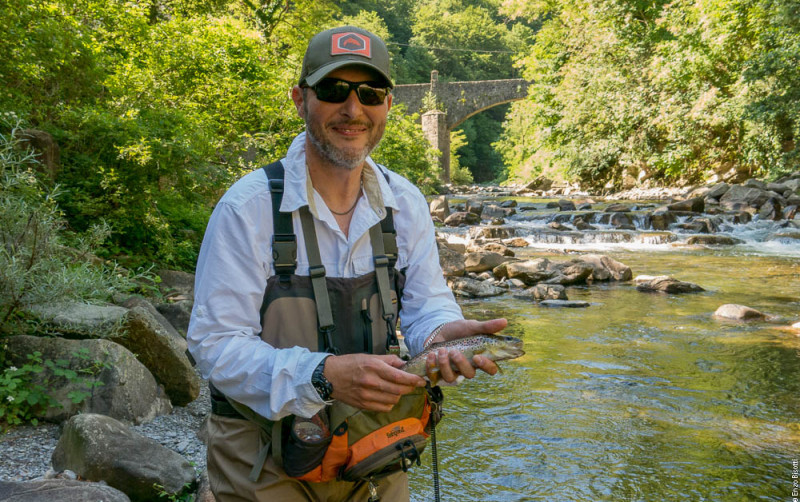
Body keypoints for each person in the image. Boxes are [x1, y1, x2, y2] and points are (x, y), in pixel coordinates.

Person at [187, 25, 507, 501]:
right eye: (335, 90)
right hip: (264, 455)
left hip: (374, 445)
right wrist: (322, 376)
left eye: (370, 92)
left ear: (388, 106)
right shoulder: (247, 208)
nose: (354, 109)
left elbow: (427, 309)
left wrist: (441, 335)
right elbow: (214, 346)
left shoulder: (407, 202)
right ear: (300, 99)